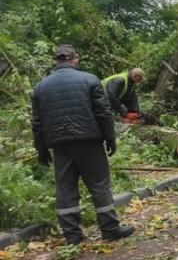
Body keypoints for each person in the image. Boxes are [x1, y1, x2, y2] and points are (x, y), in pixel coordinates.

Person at [31, 44, 134, 245]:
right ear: (75, 60)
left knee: (65, 189)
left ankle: (72, 236)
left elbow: (37, 123)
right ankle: (110, 230)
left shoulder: (40, 87)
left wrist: (41, 149)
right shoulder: (89, 79)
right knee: (99, 184)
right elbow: (103, 113)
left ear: (56, 61)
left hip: (60, 145)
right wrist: (110, 138)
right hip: (89, 142)